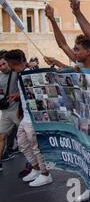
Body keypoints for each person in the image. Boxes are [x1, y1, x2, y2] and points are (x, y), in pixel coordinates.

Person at [4, 50, 53, 187]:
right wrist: (17, 96)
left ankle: (45, 174)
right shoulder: (21, 74)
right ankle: (36, 169)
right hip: (26, 116)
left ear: (12, 63)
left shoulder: (29, 74)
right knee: (22, 144)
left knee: (36, 147)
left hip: (33, 118)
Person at [0, 52, 20, 167]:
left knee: (26, 140)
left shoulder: (17, 72)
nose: (2, 67)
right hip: (6, 112)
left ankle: (36, 167)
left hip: (18, 111)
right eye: (0, 66)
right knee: (1, 136)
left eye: (4, 64)